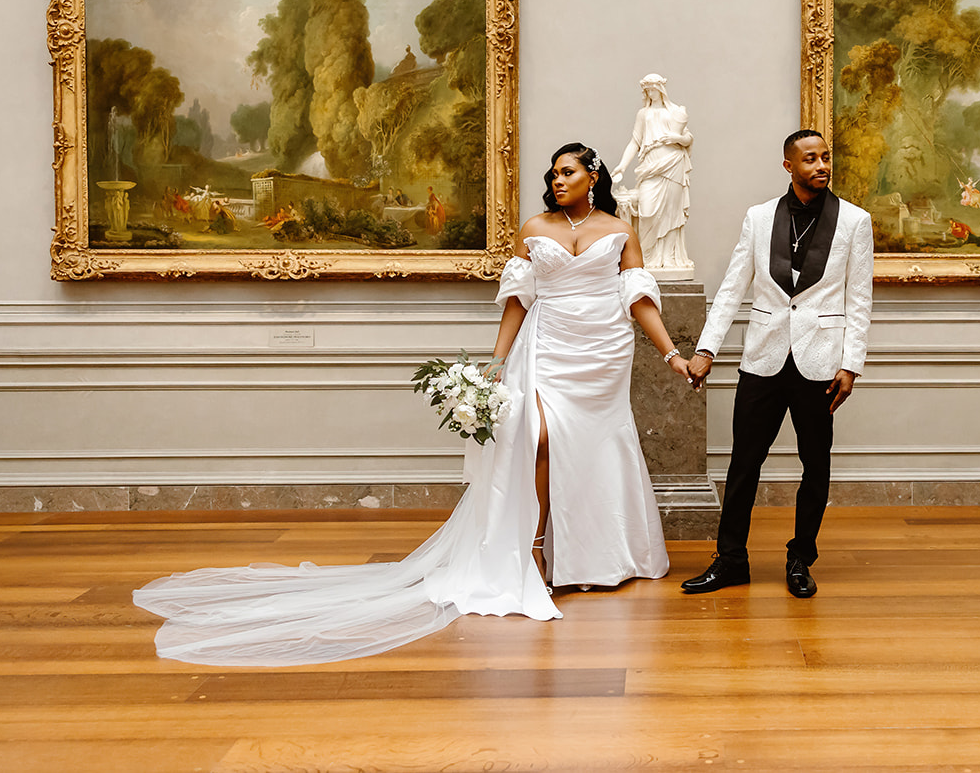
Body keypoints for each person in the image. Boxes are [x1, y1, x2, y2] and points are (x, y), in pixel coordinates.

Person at [132, 143, 689, 666]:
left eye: (567, 171)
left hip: (602, 353)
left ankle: (597, 558)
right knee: (538, 438)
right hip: (548, 348)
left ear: (594, 176)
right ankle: (539, 553)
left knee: (593, 449)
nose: (556, 179)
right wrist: (497, 362)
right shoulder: (534, 229)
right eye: (553, 172)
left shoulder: (619, 230)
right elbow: (519, 300)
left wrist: (671, 357)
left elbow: (637, 297)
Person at [681, 130, 872, 599]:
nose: (822, 165)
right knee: (743, 463)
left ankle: (800, 557)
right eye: (811, 159)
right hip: (762, 357)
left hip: (821, 361)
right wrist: (706, 349)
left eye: (826, 157)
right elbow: (731, 288)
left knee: (816, 466)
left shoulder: (854, 221)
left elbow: (860, 298)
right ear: (789, 165)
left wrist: (852, 364)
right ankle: (730, 560)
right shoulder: (759, 217)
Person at [614, 74, 693, 272]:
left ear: (661, 89)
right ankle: (648, 257)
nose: (650, 93)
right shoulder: (643, 114)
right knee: (647, 212)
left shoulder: (676, 111)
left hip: (673, 164)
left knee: (671, 214)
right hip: (650, 166)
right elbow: (635, 141)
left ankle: (669, 259)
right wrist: (622, 165)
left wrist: (676, 137)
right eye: (647, 90)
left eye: (653, 89)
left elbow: (688, 139)